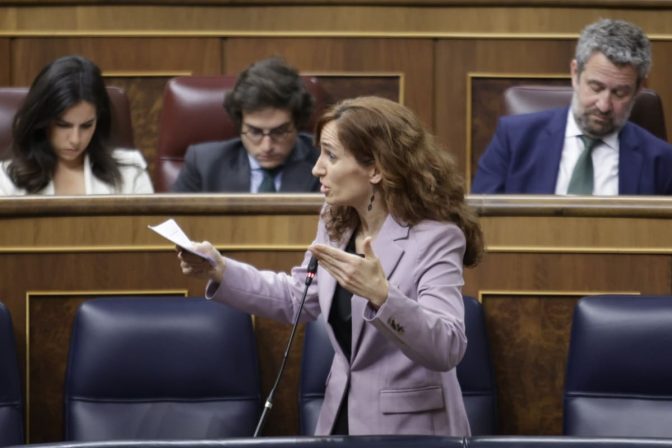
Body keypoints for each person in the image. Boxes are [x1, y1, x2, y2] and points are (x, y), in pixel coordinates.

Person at [178, 96, 484, 436]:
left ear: (376, 168)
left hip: (410, 431)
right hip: (339, 420)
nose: (316, 168)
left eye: (331, 156)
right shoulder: (336, 221)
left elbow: (448, 347)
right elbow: (299, 298)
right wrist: (220, 269)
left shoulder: (437, 238)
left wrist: (383, 296)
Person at [472, 19, 672, 195]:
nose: (603, 106)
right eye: (596, 87)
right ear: (575, 73)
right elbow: (480, 222)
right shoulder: (514, 139)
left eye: (619, 93)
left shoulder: (661, 160)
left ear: (638, 89)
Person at [0, 55, 153, 195]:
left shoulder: (131, 171)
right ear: (42, 120)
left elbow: (149, 225)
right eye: (63, 125)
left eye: (86, 126)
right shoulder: (6, 179)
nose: (75, 140)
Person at [171, 57, 319, 193]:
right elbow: (171, 220)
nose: (266, 146)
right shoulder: (203, 164)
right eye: (255, 132)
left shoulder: (324, 164)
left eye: (279, 132)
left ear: (297, 124)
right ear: (240, 124)